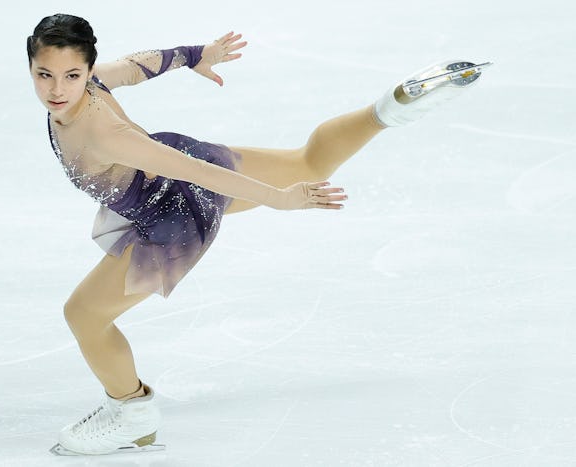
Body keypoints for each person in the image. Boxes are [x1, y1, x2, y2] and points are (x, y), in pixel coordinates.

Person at [27, 13, 488, 456]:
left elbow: (196, 173)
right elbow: (136, 66)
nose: (57, 89)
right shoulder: (93, 83)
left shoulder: (102, 133)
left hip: (173, 216)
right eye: (45, 74)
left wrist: (279, 199)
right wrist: (195, 54)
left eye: (70, 76)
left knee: (84, 315)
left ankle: (130, 412)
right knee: (307, 161)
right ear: (33, 67)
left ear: (86, 70)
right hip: (173, 178)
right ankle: (388, 109)